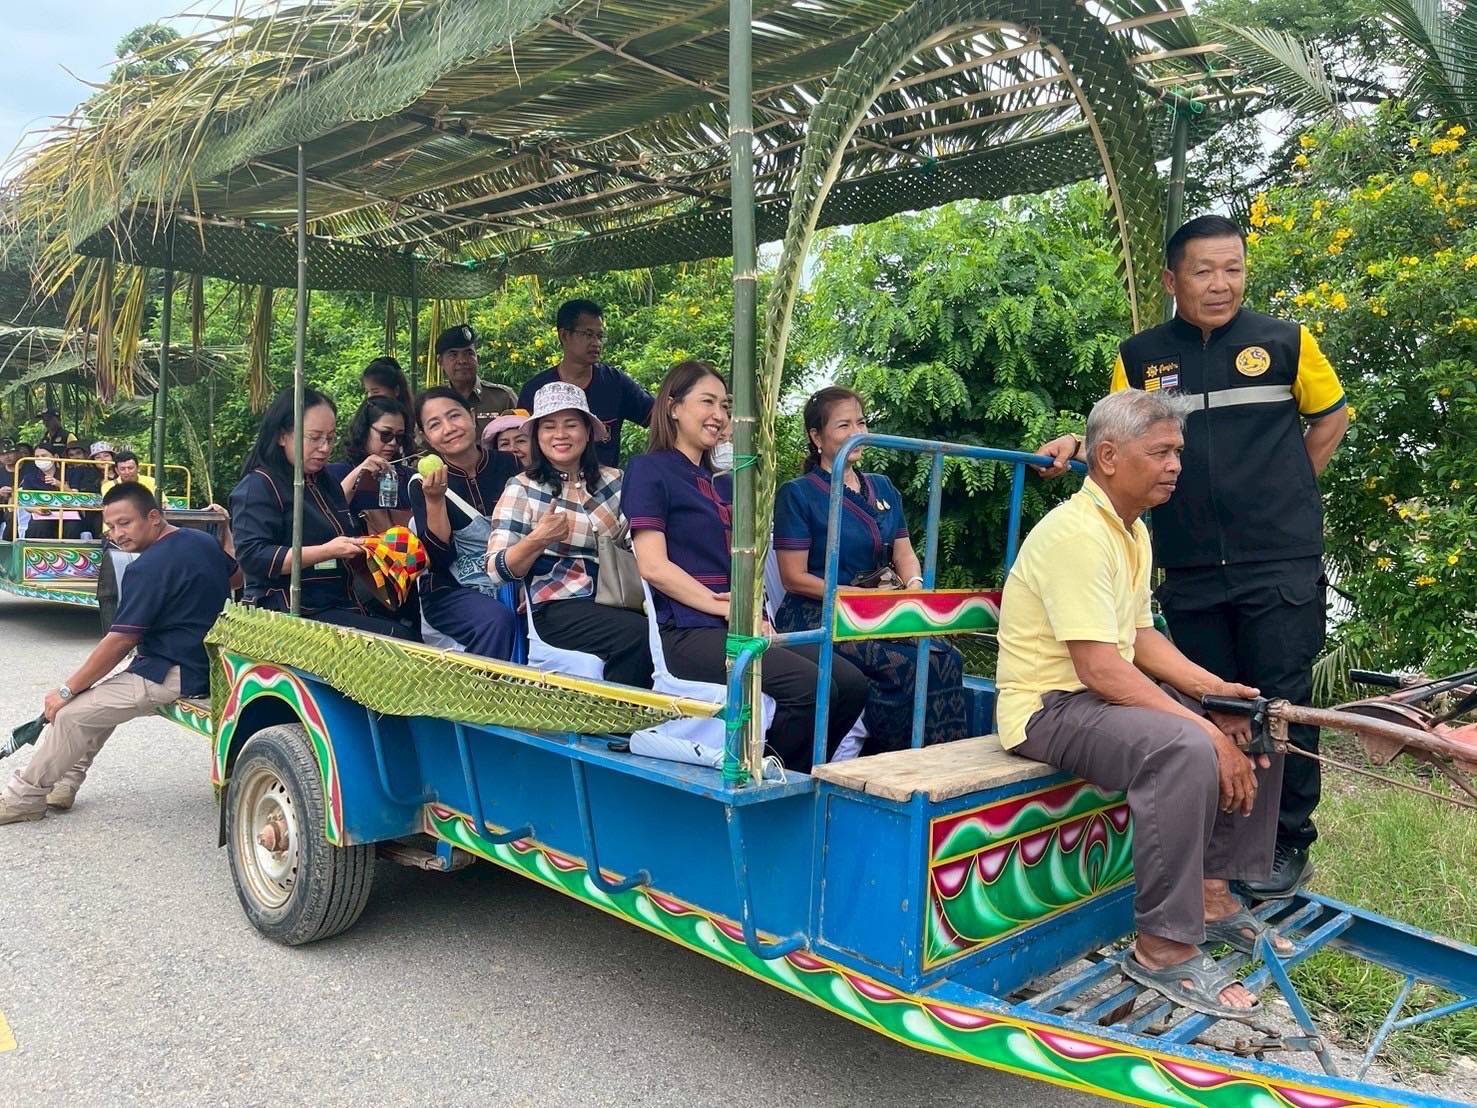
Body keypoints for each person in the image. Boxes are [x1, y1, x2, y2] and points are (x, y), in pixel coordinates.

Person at [1034, 215, 1348, 899]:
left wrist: (1290, 491)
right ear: (1171, 280)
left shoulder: (1285, 342)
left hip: (1278, 558)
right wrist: (1071, 438)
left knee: (1280, 698)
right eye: (1204, 271)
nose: (1220, 283)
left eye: (1232, 268)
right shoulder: (1141, 353)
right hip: (1190, 562)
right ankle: (1222, 843)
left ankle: (1286, 840)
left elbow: (1330, 418)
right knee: (1213, 697)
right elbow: (1119, 426)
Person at [999, 388, 1293, 1019]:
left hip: (1097, 700)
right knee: (1187, 746)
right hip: (1048, 707)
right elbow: (1100, 667)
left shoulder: (1130, 532)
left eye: (1177, 452)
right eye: (1159, 452)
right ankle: (1161, 946)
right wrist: (1202, 726)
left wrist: (1219, 695)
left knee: (1253, 719)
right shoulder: (1077, 534)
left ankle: (1213, 897)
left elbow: (1139, 639)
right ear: (1107, 456)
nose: (1175, 465)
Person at [624, 359, 866, 771]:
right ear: (673, 406)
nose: (719, 415)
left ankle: (800, 773)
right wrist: (727, 608)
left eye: (724, 404)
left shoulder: (725, 480)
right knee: (808, 686)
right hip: (687, 631)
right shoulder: (649, 471)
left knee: (850, 682)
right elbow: (654, 567)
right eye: (707, 402)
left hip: (737, 622)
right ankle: (768, 778)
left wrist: (754, 613)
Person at [0, 482, 240, 824]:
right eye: (111, 526)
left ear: (153, 517)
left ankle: (23, 798)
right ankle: (64, 784)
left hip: (172, 672)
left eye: (125, 523)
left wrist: (66, 691)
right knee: (94, 704)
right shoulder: (201, 541)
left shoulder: (149, 566)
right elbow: (235, 577)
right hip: (201, 662)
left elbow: (120, 641)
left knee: (70, 713)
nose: (117, 534)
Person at [774, 387, 968, 751]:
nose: (856, 433)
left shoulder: (882, 487)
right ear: (817, 437)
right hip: (819, 612)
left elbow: (905, 553)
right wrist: (858, 598)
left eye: (861, 422)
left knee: (946, 658)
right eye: (843, 425)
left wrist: (914, 586)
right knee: (904, 668)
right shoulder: (798, 494)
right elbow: (794, 577)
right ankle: (891, 767)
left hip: (879, 611)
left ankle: (942, 767)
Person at [487, 382, 653, 688]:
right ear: (537, 436)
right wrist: (538, 539)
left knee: (664, 632)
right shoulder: (521, 487)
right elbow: (496, 569)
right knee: (637, 636)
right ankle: (616, 728)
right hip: (558, 604)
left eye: (571, 424)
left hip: (620, 597)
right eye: (549, 426)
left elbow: (640, 541)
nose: (560, 434)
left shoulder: (614, 481)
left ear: (588, 432)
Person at [229, 387, 413, 638]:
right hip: (288, 613)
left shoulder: (323, 480)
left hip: (336, 603)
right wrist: (328, 551)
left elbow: (343, 531)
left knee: (410, 612)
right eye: (314, 438)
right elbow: (253, 557)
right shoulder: (258, 485)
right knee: (400, 639)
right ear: (283, 436)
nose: (325, 448)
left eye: (330, 437)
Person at [408, 386, 520, 659]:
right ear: (426, 437)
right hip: (450, 592)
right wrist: (435, 501)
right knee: (497, 620)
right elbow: (437, 558)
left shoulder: (513, 465)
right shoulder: (420, 484)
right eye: (435, 424)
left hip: (518, 578)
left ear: (472, 416)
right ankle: (478, 699)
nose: (449, 428)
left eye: (454, 416)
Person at [518, 299, 654, 468]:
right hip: (547, 488)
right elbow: (520, 444)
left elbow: (659, 418)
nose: (596, 343)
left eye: (600, 336)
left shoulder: (615, 383)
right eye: (588, 334)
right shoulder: (535, 390)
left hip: (604, 488)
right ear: (564, 336)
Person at [325, 395, 414, 533]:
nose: (393, 443)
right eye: (386, 434)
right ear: (365, 430)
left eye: (399, 436)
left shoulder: (408, 477)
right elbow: (325, 518)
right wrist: (358, 473)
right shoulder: (333, 473)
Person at [435, 324, 517, 433]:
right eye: (453, 355)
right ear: (440, 361)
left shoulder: (503, 397)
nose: (462, 361)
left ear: (477, 359)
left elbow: (523, 437)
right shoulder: (435, 403)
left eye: (469, 354)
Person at [22, 445, 83, 540]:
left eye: (44, 455)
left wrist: (59, 484)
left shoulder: (71, 473)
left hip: (68, 513)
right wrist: (36, 510)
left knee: (72, 528)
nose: (40, 459)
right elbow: (26, 504)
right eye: (37, 457)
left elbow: (76, 497)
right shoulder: (30, 477)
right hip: (43, 515)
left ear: (55, 457)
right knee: (38, 527)